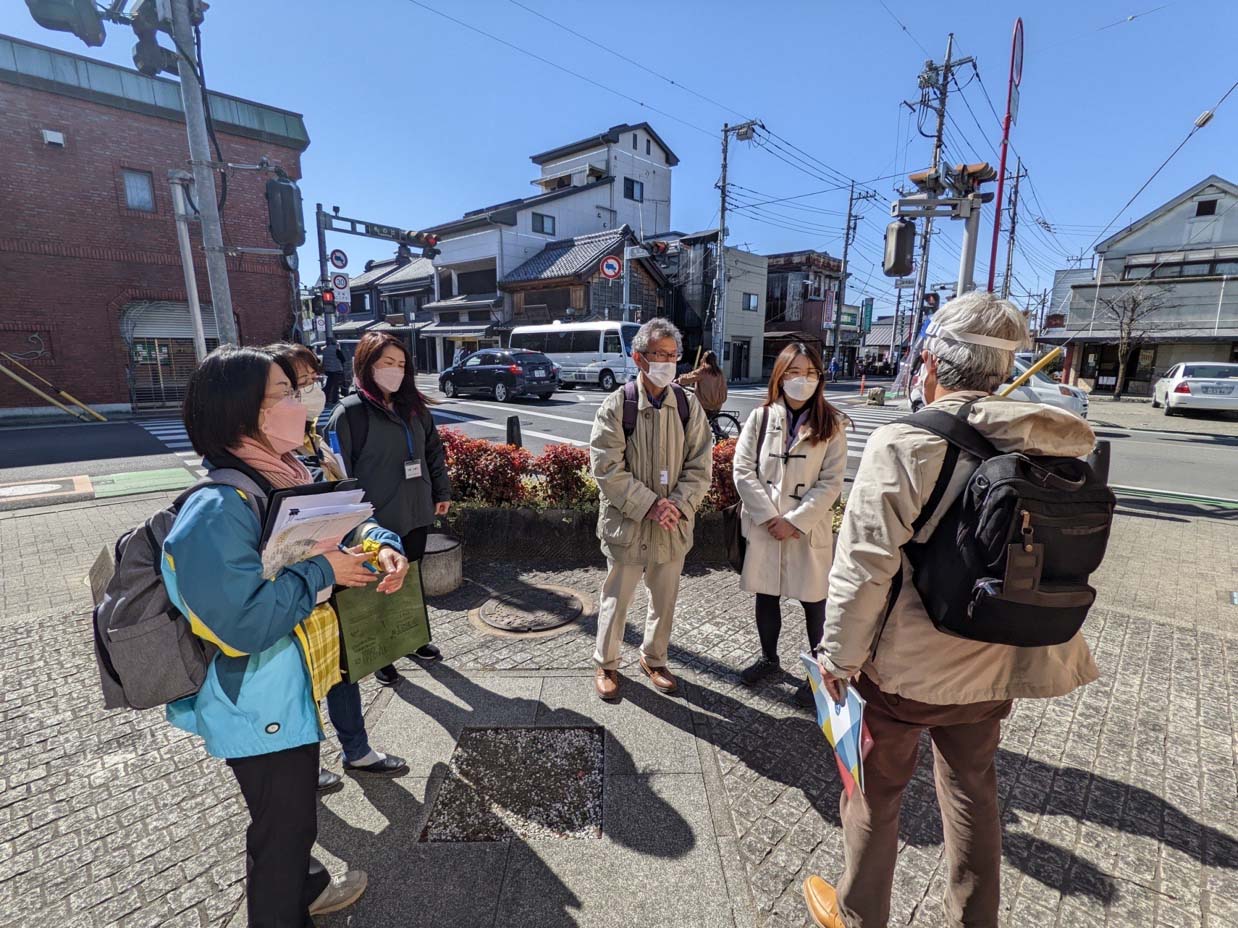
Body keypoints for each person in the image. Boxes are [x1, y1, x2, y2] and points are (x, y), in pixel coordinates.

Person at [802, 291, 1100, 928]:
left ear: (931, 364)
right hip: (998, 659)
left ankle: (859, 917)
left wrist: (837, 659)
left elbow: (863, 566)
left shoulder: (905, 443)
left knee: (875, 796)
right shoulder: (1054, 441)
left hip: (905, 672)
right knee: (972, 795)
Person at [164, 345, 409, 926]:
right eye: (286, 392)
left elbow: (348, 518)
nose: (302, 402)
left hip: (286, 692)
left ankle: (305, 889)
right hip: (254, 702)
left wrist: (383, 546)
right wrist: (326, 571)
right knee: (283, 832)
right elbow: (243, 625)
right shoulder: (217, 508)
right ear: (241, 412)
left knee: (290, 823)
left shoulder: (287, 473)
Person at [267, 343, 410, 786]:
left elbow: (347, 512)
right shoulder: (245, 477)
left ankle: (356, 750)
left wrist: (381, 541)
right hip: (287, 604)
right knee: (294, 689)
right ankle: (301, 768)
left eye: (311, 381)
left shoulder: (312, 442)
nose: (310, 392)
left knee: (343, 669)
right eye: (295, 385)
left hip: (329, 590)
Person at [589, 318, 712, 700]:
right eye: (659, 355)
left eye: (673, 356)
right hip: (628, 524)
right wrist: (650, 505)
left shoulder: (688, 406)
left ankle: (654, 658)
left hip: (672, 523)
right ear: (639, 358)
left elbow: (700, 465)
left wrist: (675, 505)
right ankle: (606, 663)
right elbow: (606, 468)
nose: (667, 362)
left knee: (665, 598)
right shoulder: (618, 405)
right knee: (617, 599)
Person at [327, 332, 452, 687]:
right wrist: (349, 520)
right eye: (387, 364)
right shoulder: (349, 413)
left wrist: (441, 490)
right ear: (367, 366)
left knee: (409, 578)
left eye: (401, 364)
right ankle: (381, 651)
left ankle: (411, 638)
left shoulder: (414, 408)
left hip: (415, 510)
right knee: (377, 585)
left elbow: (433, 452)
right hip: (374, 521)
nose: (395, 371)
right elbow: (337, 473)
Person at [732, 342, 847, 709]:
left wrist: (794, 522)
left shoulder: (832, 423)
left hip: (805, 531)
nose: (803, 380)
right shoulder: (761, 416)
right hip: (766, 525)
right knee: (766, 596)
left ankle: (819, 673)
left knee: (815, 603)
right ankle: (769, 659)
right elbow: (742, 469)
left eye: (811, 373)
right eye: (794, 372)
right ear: (780, 377)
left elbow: (831, 483)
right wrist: (768, 517)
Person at [676, 349, 728, 415]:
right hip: (718, 404)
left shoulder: (703, 371)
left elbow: (690, 377)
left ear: (704, 359)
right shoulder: (719, 372)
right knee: (712, 421)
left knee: (690, 411)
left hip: (705, 404)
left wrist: (679, 380)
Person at [321, 339, 347, 407]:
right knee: (335, 386)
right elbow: (343, 359)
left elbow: (323, 361)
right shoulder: (336, 350)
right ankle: (334, 400)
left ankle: (326, 400)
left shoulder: (324, 350)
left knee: (328, 386)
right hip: (336, 370)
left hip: (327, 370)